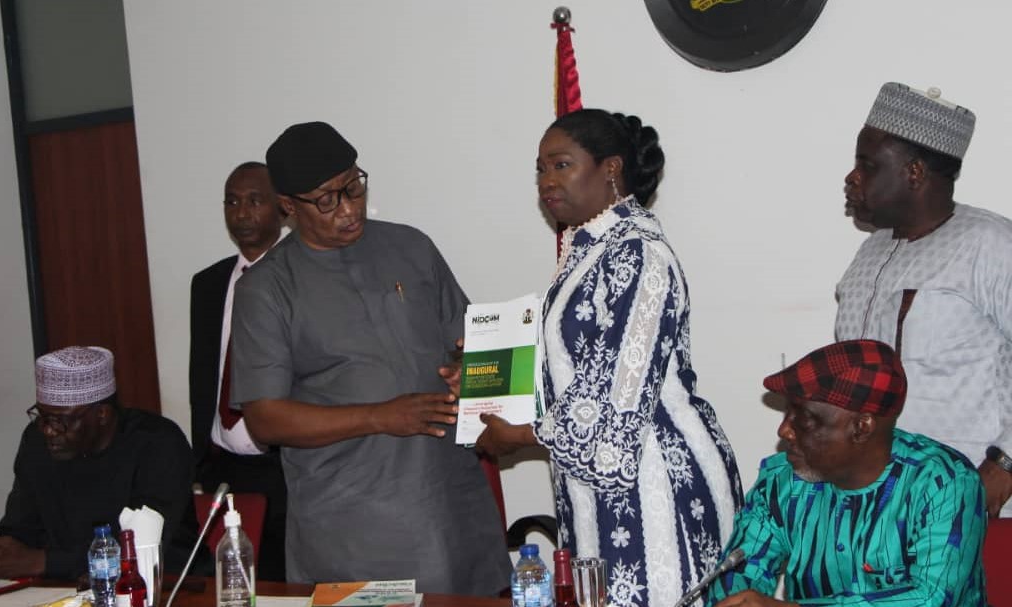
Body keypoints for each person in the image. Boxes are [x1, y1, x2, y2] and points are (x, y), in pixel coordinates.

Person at [473, 109, 743, 607]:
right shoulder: (590, 249)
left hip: (656, 484)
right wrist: (482, 387)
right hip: (600, 489)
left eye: (560, 165)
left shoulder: (638, 253)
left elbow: (615, 394)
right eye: (540, 169)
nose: (546, 182)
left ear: (610, 169)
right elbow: (574, 375)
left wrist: (518, 435)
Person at [229, 122, 511, 594]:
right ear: (288, 208)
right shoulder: (266, 289)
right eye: (326, 200)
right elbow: (265, 419)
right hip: (352, 522)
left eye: (353, 186)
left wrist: (473, 375)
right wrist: (380, 416)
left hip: (449, 499)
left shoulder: (411, 246)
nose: (348, 209)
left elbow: (474, 343)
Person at [836, 82, 1012, 518]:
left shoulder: (988, 243)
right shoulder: (870, 252)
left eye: (868, 165)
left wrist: (1005, 465)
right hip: (883, 509)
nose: (851, 178)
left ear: (914, 173)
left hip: (973, 505)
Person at [708, 340, 987, 606]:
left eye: (803, 418)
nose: (784, 430)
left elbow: (932, 599)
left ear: (861, 427)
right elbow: (740, 572)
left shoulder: (944, 483)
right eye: (787, 412)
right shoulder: (781, 481)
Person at [0, 346, 194, 583]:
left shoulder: (158, 443)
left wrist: (40, 562)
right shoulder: (36, 442)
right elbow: (20, 529)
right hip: (63, 588)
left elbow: (143, 545)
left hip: (168, 586)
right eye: (42, 416)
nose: (48, 430)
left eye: (60, 420)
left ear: (102, 415)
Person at [190, 161, 286, 580]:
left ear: (282, 208)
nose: (242, 213)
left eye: (254, 201)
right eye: (232, 202)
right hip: (222, 467)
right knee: (228, 585)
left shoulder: (302, 278)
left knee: (284, 583)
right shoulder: (208, 283)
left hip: (286, 468)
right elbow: (203, 372)